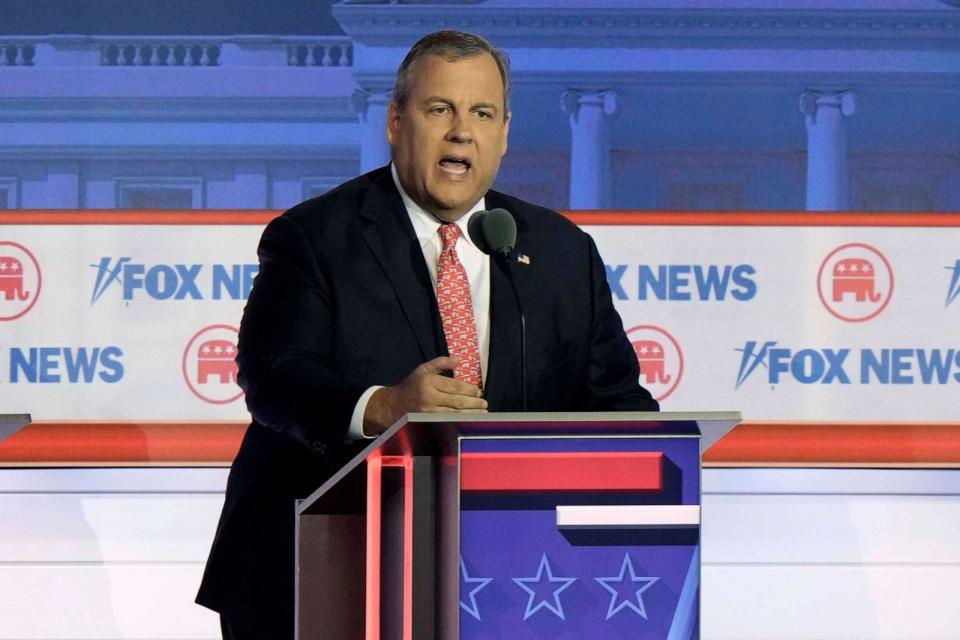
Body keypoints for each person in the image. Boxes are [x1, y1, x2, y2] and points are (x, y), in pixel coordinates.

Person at [196, 30, 658, 639]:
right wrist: (384, 405)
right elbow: (275, 374)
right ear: (395, 120)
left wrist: (655, 454)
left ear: (504, 132)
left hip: (509, 579)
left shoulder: (561, 252)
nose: (461, 130)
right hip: (319, 570)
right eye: (440, 109)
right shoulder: (314, 238)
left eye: (482, 113)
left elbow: (619, 405)